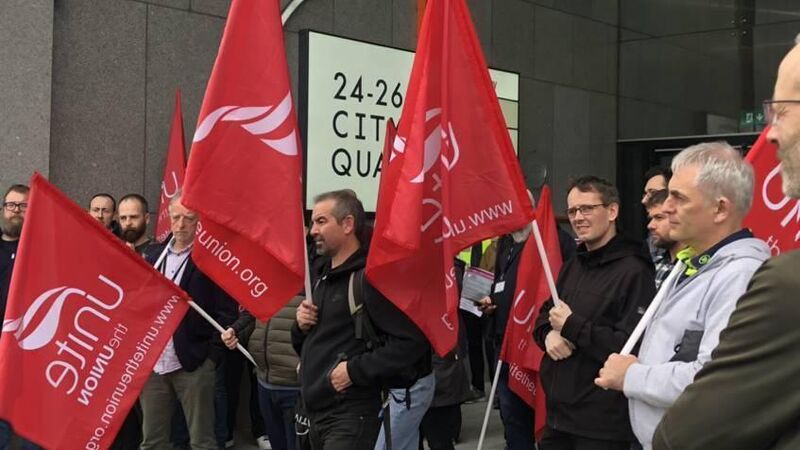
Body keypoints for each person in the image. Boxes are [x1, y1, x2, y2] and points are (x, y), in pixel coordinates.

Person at [651, 33, 800, 450]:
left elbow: (685, 434)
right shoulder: (685, 262)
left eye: (781, 112)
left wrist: (632, 377)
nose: (770, 134)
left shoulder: (779, 281)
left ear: (720, 208)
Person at [594, 142, 769, 450]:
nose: (665, 207)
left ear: (720, 209)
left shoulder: (739, 275)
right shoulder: (692, 262)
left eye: (679, 197)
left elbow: (715, 378)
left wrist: (631, 376)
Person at [291, 189, 429, 450]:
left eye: (321, 221)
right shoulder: (322, 279)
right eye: (313, 223)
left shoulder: (369, 281)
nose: (313, 231)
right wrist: (299, 327)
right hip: (314, 416)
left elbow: (412, 343)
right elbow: (310, 345)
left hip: (350, 418)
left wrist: (354, 371)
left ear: (347, 225)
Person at [533, 176, 656, 450]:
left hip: (601, 426)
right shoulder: (574, 264)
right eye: (573, 211)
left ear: (612, 211)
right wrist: (548, 335)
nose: (578, 217)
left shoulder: (635, 271)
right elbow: (545, 315)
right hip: (558, 417)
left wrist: (571, 326)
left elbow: (631, 347)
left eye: (587, 208)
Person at [139, 193, 237, 450]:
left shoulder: (211, 260)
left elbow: (227, 312)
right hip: (155, 362)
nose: (181, 224)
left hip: (194, 362)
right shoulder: (154, 255)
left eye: (189, 218)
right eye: (176, 217)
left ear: (199, 222)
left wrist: (211, 358)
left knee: (202, 440)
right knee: (152, 440)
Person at [0, 184, 39, 450]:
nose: (16, 210)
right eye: (11, 205)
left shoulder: (42, 248)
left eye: (23, 205)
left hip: (32, 347)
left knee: (31, 417)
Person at [642, 190, 681, 289]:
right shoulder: (653, 264)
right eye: (650, 219)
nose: (650, 225)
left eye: (659, 217)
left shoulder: (698, 267)